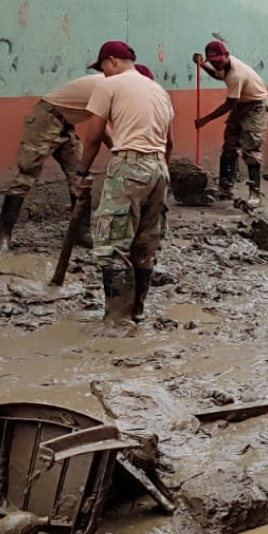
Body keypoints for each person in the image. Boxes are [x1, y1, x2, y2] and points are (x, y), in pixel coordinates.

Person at [0, 63, 155, 252]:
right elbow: (100, 129)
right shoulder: (106, 87)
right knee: (27, 175)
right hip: (46, 118)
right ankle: (3, 237)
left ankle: (82, 232)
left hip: (65, 125)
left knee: (81, 177)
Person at [73, 41, 174, 334]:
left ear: (113, 61)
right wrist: (158, 170)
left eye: (103, 66)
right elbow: (169, 143)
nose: (102, 72)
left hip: (129, 167)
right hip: (158, 170)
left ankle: (118, 321)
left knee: (110, 245)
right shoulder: (159, 90)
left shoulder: (110, 85)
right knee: (144, 246)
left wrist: (81, 172)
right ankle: (137, 312)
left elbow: (93, 137)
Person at [192, 41, 268, 202]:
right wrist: (201, 65)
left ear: (227, 56)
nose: (216, 64)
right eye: (212, 62)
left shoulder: (236, 74)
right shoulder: (224, 66)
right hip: (241, 103)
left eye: (218, 61)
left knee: (251, 148)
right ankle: (226, 187)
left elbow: (229, 104)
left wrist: (205, 120)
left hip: (256, 106)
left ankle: (255, 194)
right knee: (229, 145)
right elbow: (218, 74)